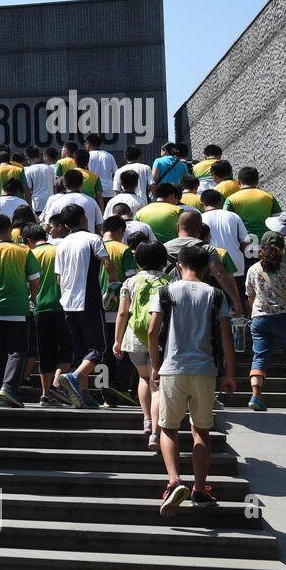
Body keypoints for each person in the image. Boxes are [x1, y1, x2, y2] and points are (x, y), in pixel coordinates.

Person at [148, 244, 235, 517]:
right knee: (201, 431)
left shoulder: (165, 292)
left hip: (173, 368)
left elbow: (152, 332)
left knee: (168, 430)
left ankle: (174, 481)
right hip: (205, 370)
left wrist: (155, 366)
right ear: (207, 268)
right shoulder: (216, 294)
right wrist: (230, 373)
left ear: (178, 266)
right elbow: (225, 335)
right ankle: (199, 488)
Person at [53, 204, 117, 407]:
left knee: (79, 349)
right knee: (99, 347)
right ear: (83, 219)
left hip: (67, 302)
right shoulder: (93, 239)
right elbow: (107, 263)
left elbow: (59, 279)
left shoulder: (61, 244)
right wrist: (113, 284)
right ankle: (75, 377)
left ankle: (83, 393)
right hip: (88, 299)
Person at [0, 215, 41, 408]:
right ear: (12, 229)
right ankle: (9, 388)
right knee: (17, 351)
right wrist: (32, 297)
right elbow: (35, 281)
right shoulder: (24, 251)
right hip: (19, 309)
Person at [114, 242, 171, 450]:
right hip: (162, 338)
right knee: (158, 385)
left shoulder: (130, 282)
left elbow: (122, 313)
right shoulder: (169, 281)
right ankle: (156, 433)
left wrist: (117, 341)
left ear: (138, 261)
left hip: (134, 338)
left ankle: (146, 419)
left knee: (144, 377)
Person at [243, 233, 286, 411]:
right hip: (285, 318)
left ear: (261, 248)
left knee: (260, 357)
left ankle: (256, 396)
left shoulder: (253, 270)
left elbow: (250, 296)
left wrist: (256, 311)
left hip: (260, 319)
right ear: (282, 249)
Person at [163, 210, 244, 316]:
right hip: (200, 303)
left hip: (171, 302)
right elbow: (220, 274)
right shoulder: (207, 248)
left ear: (178, 227)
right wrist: (236, 302)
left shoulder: (164, 248)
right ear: (200, 230)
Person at [24, 225, 71, 406]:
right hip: (62, 307)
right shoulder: (59, 250)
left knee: (44, 353)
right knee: (67, 350)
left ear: (29, 241)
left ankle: (46, 394)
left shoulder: (30, 255)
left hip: (38, 309)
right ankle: (56, 385)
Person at [98, 216, 139, 405]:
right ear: (120, 231)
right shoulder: (124, 250)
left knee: (103, 352)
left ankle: (104, 392)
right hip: (120, 309)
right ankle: (119, 385)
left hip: (96, 308)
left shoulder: (93, 247)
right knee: (123, 349)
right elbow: (132, 281)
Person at [201, 188, 250, 296]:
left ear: (201, 204)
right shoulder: (234, 216)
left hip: (212, 267)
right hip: (236, 264)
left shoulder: (199, 219)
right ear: (220, 202)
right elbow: (246, 241)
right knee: (241, 297)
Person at [223, 167, 282, 251]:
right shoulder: (269, 197)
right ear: (257, 181)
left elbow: (227, 224)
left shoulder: (230, 200)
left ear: (239, 182)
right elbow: (279, 221)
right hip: (267, 245)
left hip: (245, 246)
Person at [85, 134, 117, 201]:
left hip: (93, 191)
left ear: (89, 144)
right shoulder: (109, 155)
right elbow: (115, 174)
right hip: (109, 192)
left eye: (86, 143)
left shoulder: (87, 156)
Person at [24, 148, 57, 214]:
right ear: (39, 155)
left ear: (27, 158)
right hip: (50, 204)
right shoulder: (50, 168)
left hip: (37, 204)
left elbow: (28, 190)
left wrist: (29, 206)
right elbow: (55, 187)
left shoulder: (28, 170)